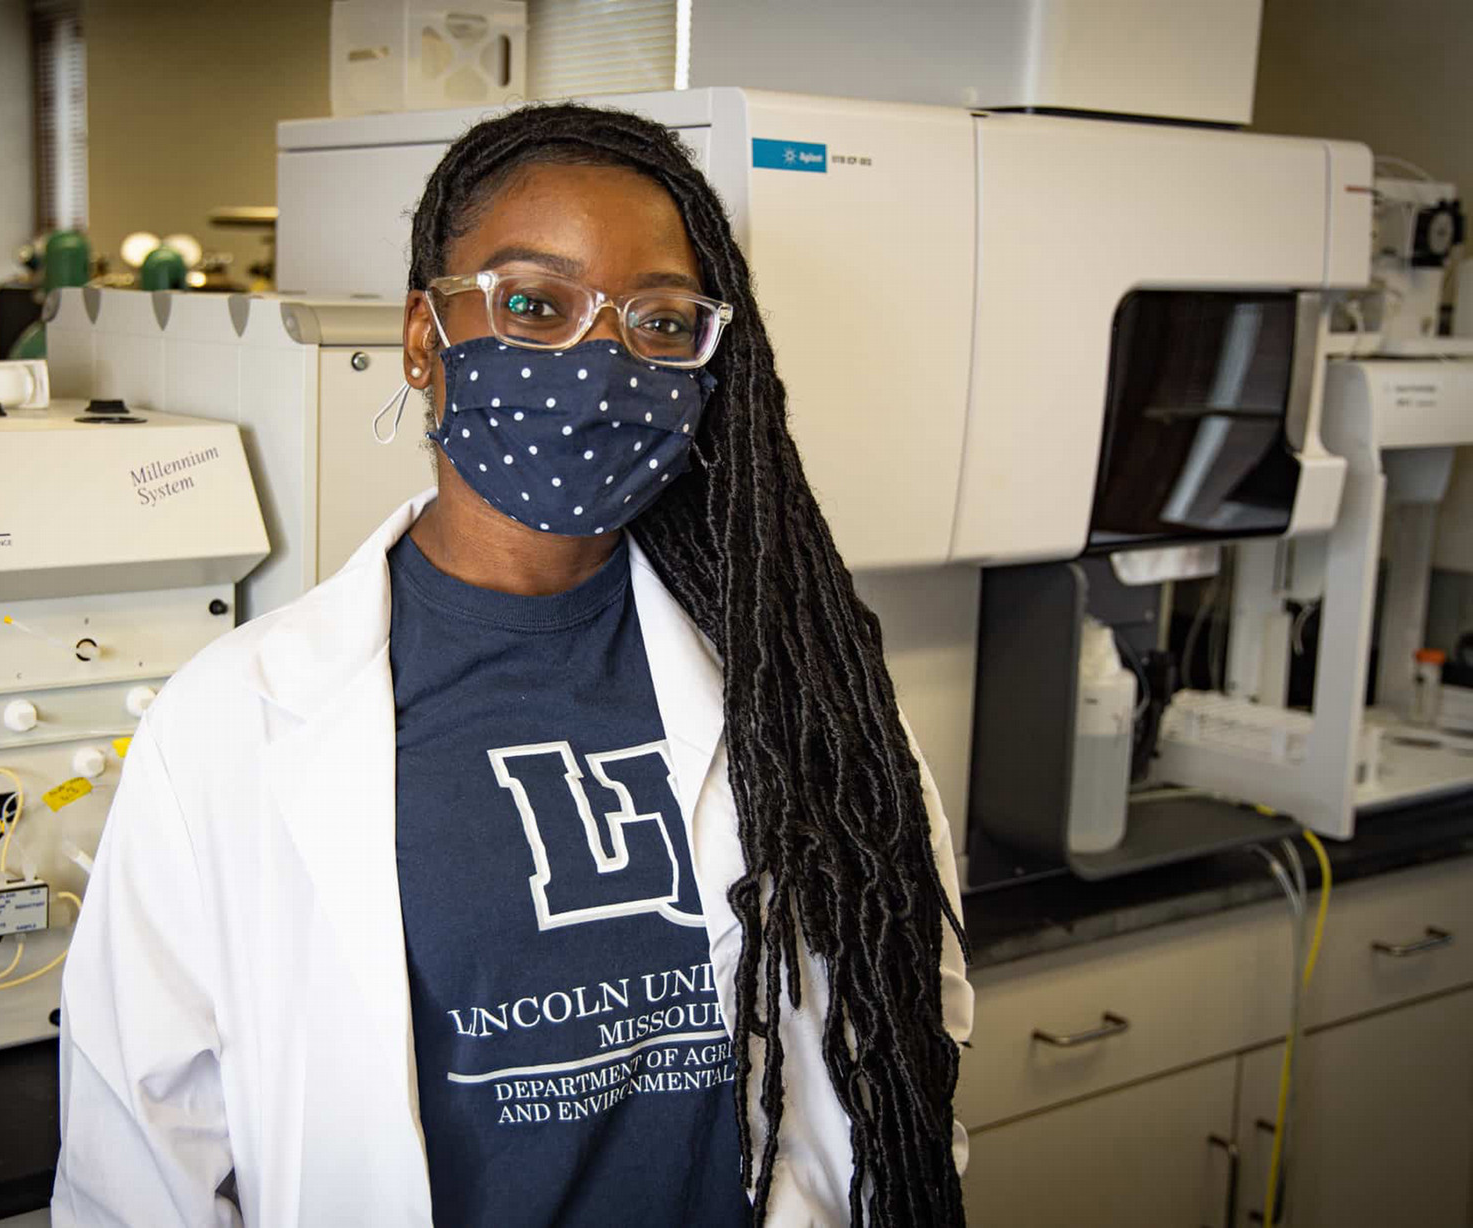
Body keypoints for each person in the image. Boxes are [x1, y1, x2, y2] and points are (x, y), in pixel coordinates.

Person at [53, 102, 972, 1227]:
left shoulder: (807, 695)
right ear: (420, 338)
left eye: (659, 322)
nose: (599, 360)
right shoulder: (228, 726)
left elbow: (906, 1045)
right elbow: (136, 1168)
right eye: (533, 305)